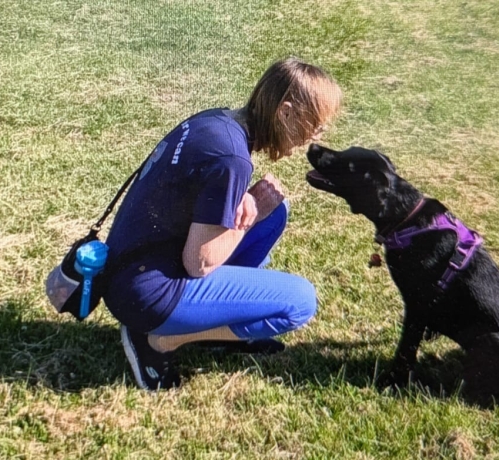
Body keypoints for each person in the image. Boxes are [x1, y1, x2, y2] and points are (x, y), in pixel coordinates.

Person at [102, 57, 343, 390]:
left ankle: (214, 326)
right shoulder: (232, 158)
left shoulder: (217, 121)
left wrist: (252, 207)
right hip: (145, 293)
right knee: (299, 302)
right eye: (315, 125)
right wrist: (253, 210)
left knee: (276, 211)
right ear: (285, 112)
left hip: (129, 268)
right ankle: (159, 340)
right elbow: (199, 262)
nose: (314, 138)